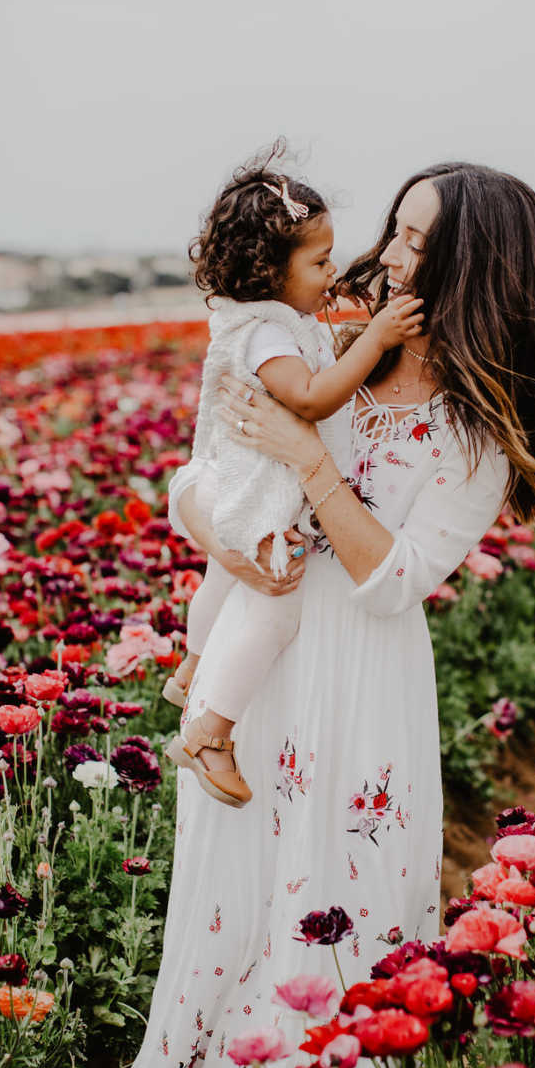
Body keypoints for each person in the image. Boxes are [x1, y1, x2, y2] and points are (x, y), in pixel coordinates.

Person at [119, 162, 535, 1068]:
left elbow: (392, 578)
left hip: (359, 684)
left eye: (417, 241)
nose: (391, 255)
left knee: (327, 927)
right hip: (263, 669)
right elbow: (200, 479)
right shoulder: (326, 338)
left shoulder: (474, 427)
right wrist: (231, 545)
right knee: (240, 909)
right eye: (393, 231)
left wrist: (308, 457)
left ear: (472, 264)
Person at [161, 151, 424, 808]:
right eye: (319, 261)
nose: (332, 271)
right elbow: (308, 399)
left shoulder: (268, 322)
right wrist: (377, 338)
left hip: (233, 484)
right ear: (270, 273)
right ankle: (211, 732)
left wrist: (337, 319)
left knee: (223, 579)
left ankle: (194, 665)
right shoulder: (263, 339)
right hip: (255, 494)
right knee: (275, 612)